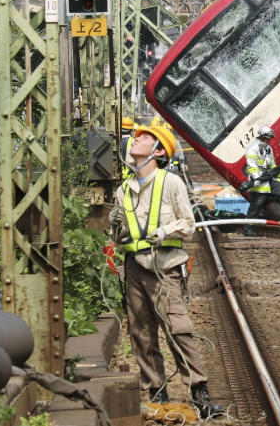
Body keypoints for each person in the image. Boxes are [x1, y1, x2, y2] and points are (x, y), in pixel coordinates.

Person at [109, 124, 223, 417]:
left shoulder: (170, 183)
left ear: (158, 152)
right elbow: (118, 234)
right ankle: (157, 393)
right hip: (134, 268)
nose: (137, 140)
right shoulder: (124, 190)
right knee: (141, 334)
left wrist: (163, 231)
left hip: (164, 267)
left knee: (177, 330)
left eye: (146, 138)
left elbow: (188, 223)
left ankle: (200, 393)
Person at [243, 126, 276, 237]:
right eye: (267, 139)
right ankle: (248, 228)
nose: (268, 141)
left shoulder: (268, 148)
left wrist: (276, 175)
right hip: (258, 183)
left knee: (261, 207)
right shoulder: (253, 148)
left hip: (267, 182)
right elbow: (251, 165)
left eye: (269, 139)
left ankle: (254, 226)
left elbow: (272, 164)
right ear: (261, 137)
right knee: (255, 207)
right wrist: (257, 178)